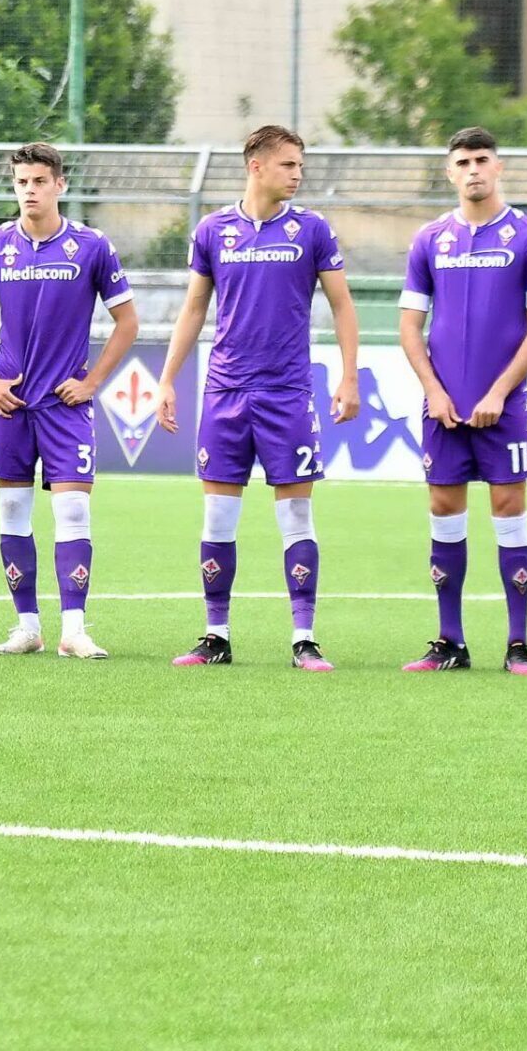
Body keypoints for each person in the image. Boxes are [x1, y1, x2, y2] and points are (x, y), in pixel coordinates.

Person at [154, 124, 360, 669]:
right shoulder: (214, 229)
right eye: (289, 164)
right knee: (218, 518)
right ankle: (215, 635)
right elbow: (195, 308)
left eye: (299, 165)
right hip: (225, 391)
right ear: (257, 167)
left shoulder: (312, 230)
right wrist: (168, 378)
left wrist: (349, 375)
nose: (298, 174)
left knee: (296, 517)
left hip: (287, 393)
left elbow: (341, 304)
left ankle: (304, 638)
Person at [0, 142, 139, 659]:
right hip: (10, 404)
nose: (30, 191)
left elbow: (127, 322)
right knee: (13, 509)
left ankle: (74, 629)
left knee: (73, 511)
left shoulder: (91, 246)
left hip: (65, 406)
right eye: (22, 182)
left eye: (40, 181)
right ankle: (26, 627)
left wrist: (92, 383)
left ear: (60, 184)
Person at [397, 127, 527, 674]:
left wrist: (498, 391)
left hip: (503, 407)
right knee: (444, 511)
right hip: (443, 408)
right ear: (450, 172)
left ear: (499, 166)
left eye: (482, 159)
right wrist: (434, 391)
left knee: (509, 511)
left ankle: (517, 644)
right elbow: (409, 327)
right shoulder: (429, 240)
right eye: (462, 161)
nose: (473, 170)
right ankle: (450, 642)